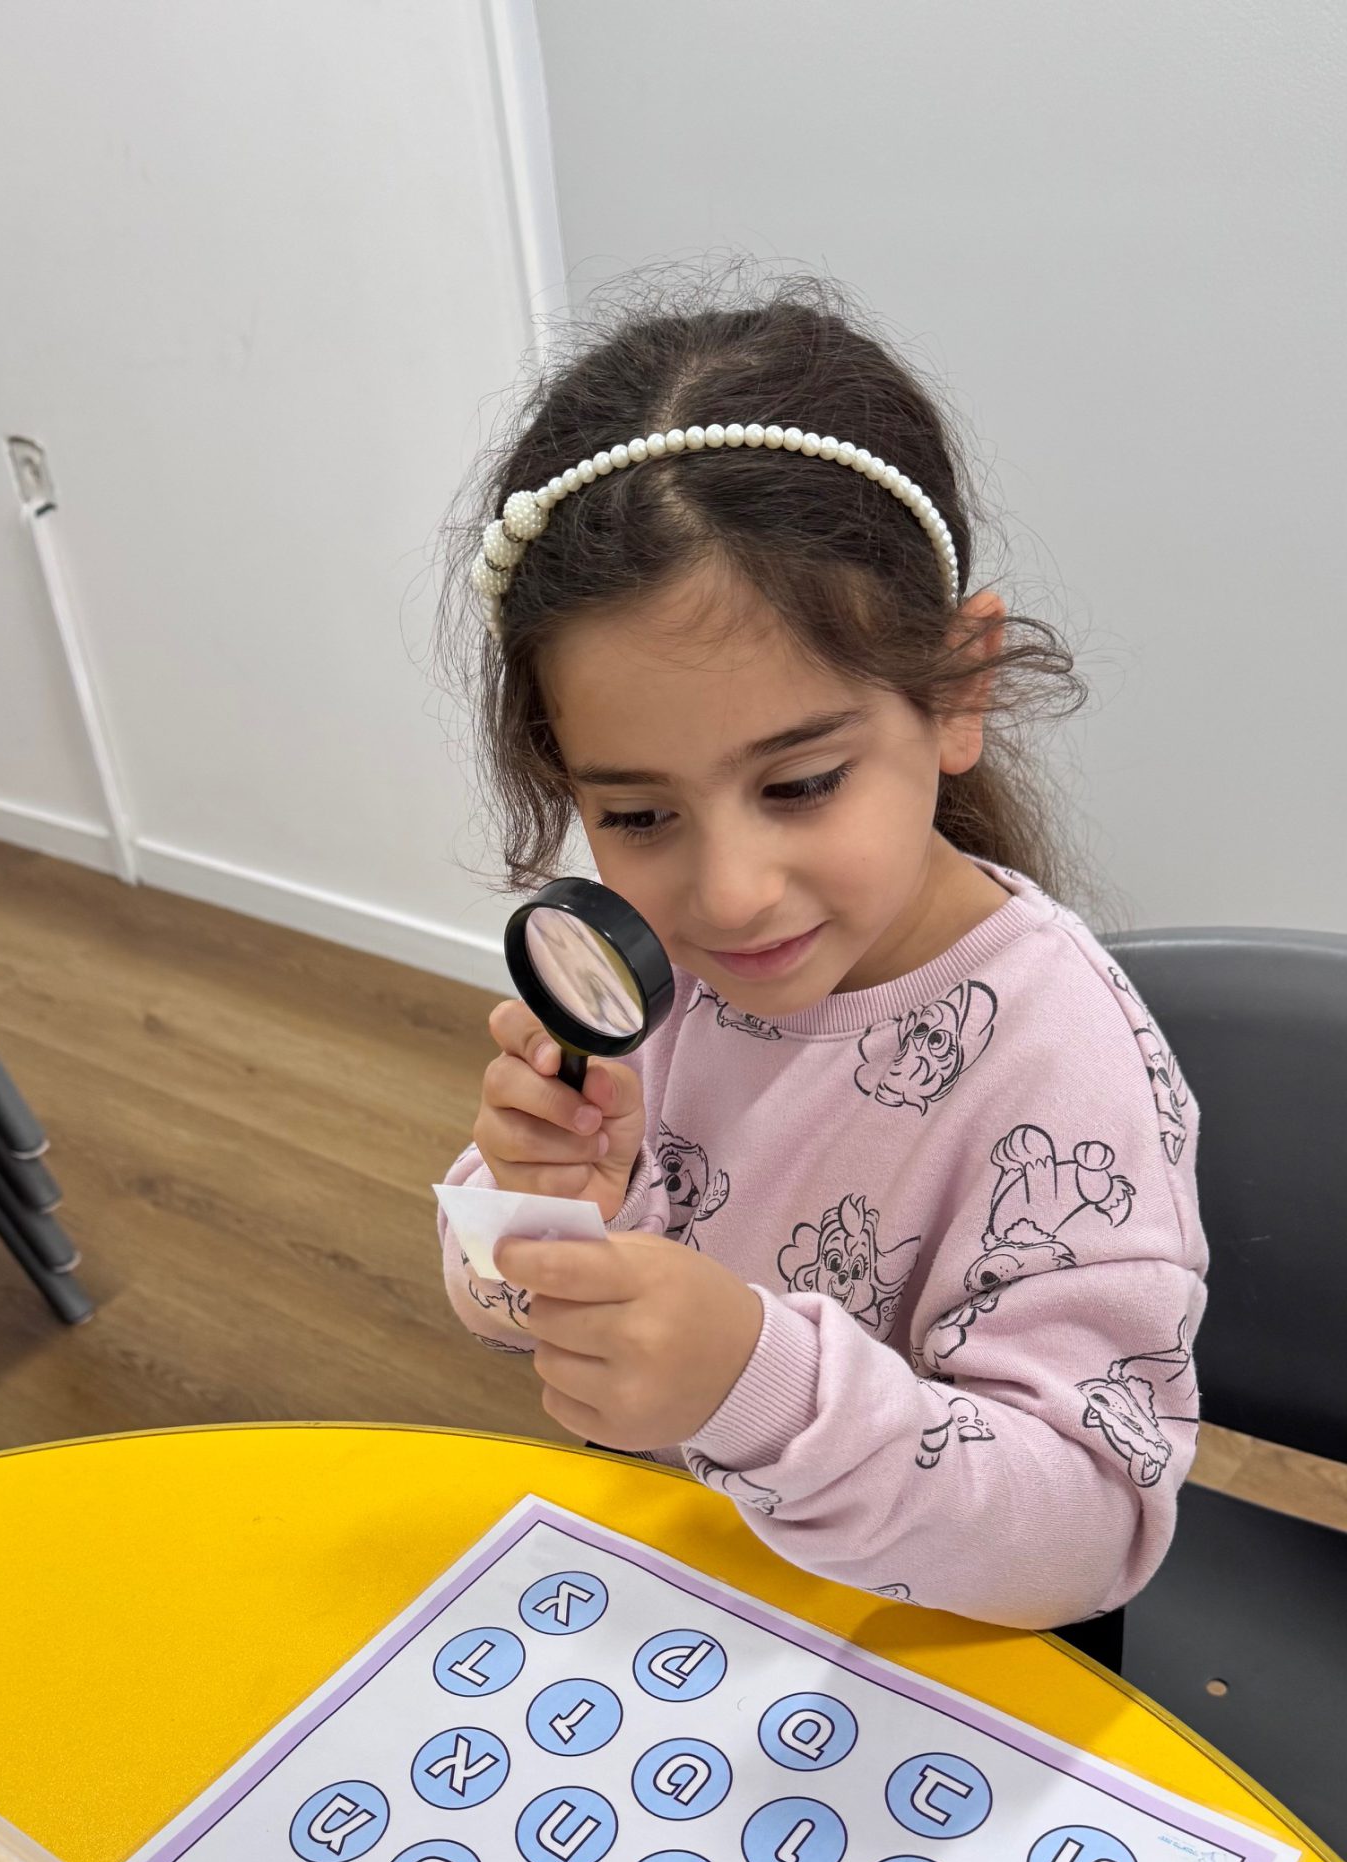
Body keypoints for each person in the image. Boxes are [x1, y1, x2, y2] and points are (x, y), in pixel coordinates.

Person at [435, 277, 1205, 1640]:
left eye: (799, 784)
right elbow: (496, 1303)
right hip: (691, 1608)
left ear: (956, 689)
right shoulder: (642, 988)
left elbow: (1089, 1535)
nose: (729, 895)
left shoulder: (1062, 1062)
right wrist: (541, 1203)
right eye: (639, 816)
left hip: (944, 1659)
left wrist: (756, 1383)